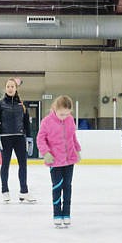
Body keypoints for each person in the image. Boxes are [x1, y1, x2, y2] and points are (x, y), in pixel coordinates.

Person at [36, 95, 81, 228]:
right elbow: (40, 139)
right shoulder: (46, 122)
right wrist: (46, 153)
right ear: (55, 108)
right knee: (57, 187)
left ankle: (66, 213)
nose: (64, 117)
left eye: (67, 114)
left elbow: (73, 137)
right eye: (61, 114)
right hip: (55, 160)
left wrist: (77, 150)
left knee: (67, 187)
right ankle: (57, 214)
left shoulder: (70, 120)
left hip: (69, 159)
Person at [0, 78, 35, 203]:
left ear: (16, 88)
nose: (10, 88)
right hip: (5, 138)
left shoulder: (22, 105)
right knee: (5, 165)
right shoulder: (0, 104)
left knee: (23, 165)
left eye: (12, 86)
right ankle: (5, 191)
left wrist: (29, 138)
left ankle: (24, 192)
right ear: (5, 88)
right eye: (8, 86)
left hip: (19, 138)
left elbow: (26, 123)